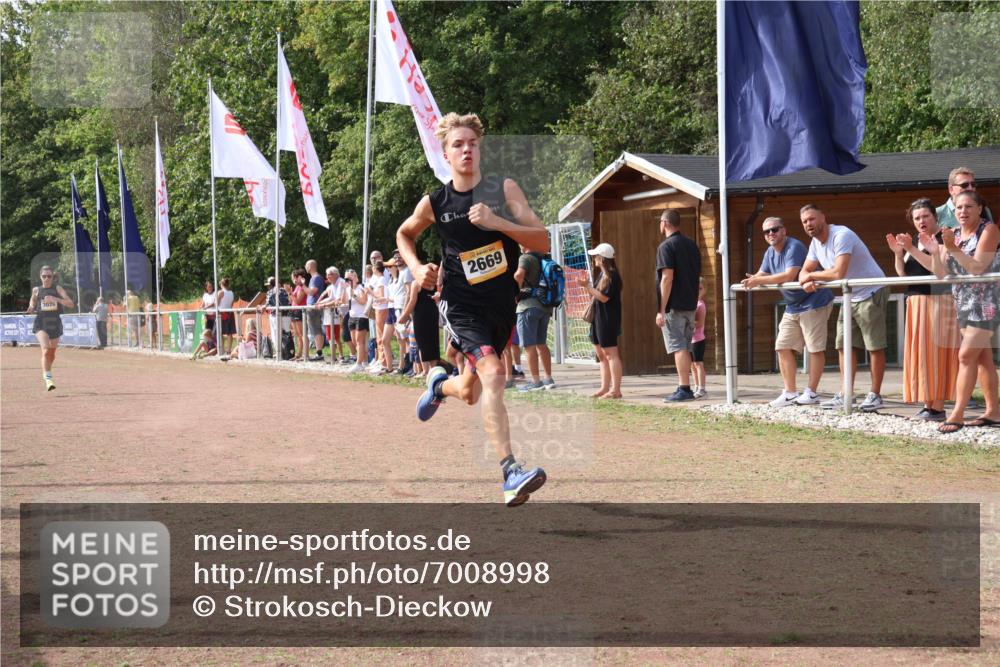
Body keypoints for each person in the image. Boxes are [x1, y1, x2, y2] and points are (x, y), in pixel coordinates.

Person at [396, 111, 548, 507]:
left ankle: (438, 384)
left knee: (469, 390)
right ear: (445, 155)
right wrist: (416, 268)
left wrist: (499, 221)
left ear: (480, 149)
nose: (466, 150)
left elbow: (543, 240)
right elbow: (404, 234)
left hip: (501, 309)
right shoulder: (437, 202)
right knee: (495, 373)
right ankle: (510, 472)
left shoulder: (504, 190)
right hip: (461, 307)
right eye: (458, 145)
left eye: (472, 144)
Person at [923, 190, 1000, 433]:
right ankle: (994, 412)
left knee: (966, 356)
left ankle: (956, 414)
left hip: (987, 302)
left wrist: (952, 248)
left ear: (979, 208)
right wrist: (935, 251)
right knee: (982, 359)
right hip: (963, 302)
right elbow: (941, 274)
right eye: (958, 208)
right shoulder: (952, 234)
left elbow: (978, 267)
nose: (963, 211)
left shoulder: (988, 230)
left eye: (968, 206)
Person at [799, 204, 888, 412]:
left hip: (871, 290)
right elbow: (804, 270)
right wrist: (806, 277)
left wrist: (812, 277)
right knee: (843, 345)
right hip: (849, 295)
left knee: (874, 346)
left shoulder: (842, 234)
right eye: (804, 221)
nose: (808, 224)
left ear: (823, 217)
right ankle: (846, 393)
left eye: (811, 219)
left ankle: (875, 395)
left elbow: (838, 272)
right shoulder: (814, 243)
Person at [742, 216, 834, 408]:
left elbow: (789, 275)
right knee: (782, 346)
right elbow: (762, 273)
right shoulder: (770, 252)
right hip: (793, 306)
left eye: (774, 229)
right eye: (766, 232)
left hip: (814, 302)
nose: (770, 234)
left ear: (784, 230)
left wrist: (758, 281)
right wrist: (751, 279)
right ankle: (790, 393)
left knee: (815, 348)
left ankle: (812, 393)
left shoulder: (794, 246)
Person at [885, 199, 960, 421]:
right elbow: (903, 275)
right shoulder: (915, 240)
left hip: (937, 301)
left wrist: (910, 249)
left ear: (935, 217)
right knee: (922, 356)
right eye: (917, 218)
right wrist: (899, 254)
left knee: (936, 355)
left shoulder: (944, 238)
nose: (921, 221)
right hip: (916, 303)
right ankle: (928, 404)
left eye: (925, 216)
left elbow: (937, 269)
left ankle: (937, 407)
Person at [656, 209, 701, 402]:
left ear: (664, 223)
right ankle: (685, 386)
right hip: (690, 304)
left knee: (678, 347)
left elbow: (667, 278)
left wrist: (661, 309)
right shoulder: (692, 246)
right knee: (685, 346)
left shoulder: (666, 247)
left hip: (674, 306)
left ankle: (684, 388)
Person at [578, 242, 622, 399]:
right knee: (602, 356)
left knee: (611, 354)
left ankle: (616, 390)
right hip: (598, 319)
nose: (594, 258)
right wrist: (588, 286)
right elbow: (597, 295)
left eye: (596, 256)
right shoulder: (602, 275)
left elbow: (603, 298)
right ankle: (604, 388)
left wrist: (587, 287)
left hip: (608, 320)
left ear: (602, 258)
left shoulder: (613, 276)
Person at [26, 265, 74, 390]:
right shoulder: (36, 290)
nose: (46, 278)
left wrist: (55, 298)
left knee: (51, 353)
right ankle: (48, 379)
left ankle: (46, 369)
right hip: (41, 322)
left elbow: (70, 304)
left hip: (55, 323)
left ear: (53, 277)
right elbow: (32, 301)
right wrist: (31, 307)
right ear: (40, 277)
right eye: (44, 276)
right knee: (46, 350)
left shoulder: (58, 288)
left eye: (49, 276)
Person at [515, 245, 555, 392]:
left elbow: (519, 275)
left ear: (525, 244)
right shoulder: (544, 258)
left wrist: (517, 291)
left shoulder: (525, 258)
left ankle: (536, 381)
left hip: (527, 306)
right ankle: (548, 378)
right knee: (541, 344)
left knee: (529, 346)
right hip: (545, 307)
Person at [315, 266, 347, 362]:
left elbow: (338, 300)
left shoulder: (341, 282)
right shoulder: (333, 285)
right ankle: (338, 356)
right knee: (335, 336)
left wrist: (323, 304)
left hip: (343, 313)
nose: (328, 277)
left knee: (340, 336)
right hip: (337, 313)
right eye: (327, 275)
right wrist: (319, 303)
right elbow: (331, 298)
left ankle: (345, 356)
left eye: (330, 274)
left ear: (336, 274)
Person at [345, 269, 370, 373]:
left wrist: (354, 295)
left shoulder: (361, 288)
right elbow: (345, 301)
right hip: (352, 316)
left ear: (356, 278)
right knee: (355, 341)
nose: (349, 281)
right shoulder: (347, 289)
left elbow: (363, 301)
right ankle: (364, 361)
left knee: (360, 341)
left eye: (350, 278)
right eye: (347, 279)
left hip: (361, 316)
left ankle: (359, 364)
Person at [304, 259, 326, 361]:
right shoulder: (315, 278)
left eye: (306, 265)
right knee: (316, 329)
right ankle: (319, 352)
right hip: (313, 306)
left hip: (314, 307)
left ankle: (319, 353)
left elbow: (312, 292)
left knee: (315, 329)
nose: (305, 267)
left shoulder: (316, 278)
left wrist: (302, 285)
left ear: (310, 267)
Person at [691, 278, 707, 399]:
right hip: (690, 339)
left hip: (698, 339)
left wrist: (687, 323)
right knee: (692, 365)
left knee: (698, 364)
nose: (697, 291)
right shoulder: (691, 303)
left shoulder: (700, 305)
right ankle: (696, 386)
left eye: (700, 289)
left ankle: (702, 389)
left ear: (704, 290)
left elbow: (700, 323)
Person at [290, 269, 308, 360]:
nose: (293, 280)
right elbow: (292, 301)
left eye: (293, 278)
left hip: (300, 312)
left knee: (302, 334)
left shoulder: (301, 287)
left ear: (298, 278)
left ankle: (305, 354)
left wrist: (290, 292)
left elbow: (298, 301)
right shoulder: (296, 287)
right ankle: (299, 353)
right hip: (294, 311)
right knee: (297, 334)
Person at [217, 277, 237, 357]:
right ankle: (228, 350)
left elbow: (217, 304)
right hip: (229, 312)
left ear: (221, 284)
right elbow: (231, 304)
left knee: (220, 332)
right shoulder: (231, 292)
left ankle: (222, 349)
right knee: (229, 333)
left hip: (222, 313)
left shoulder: (220, 292)